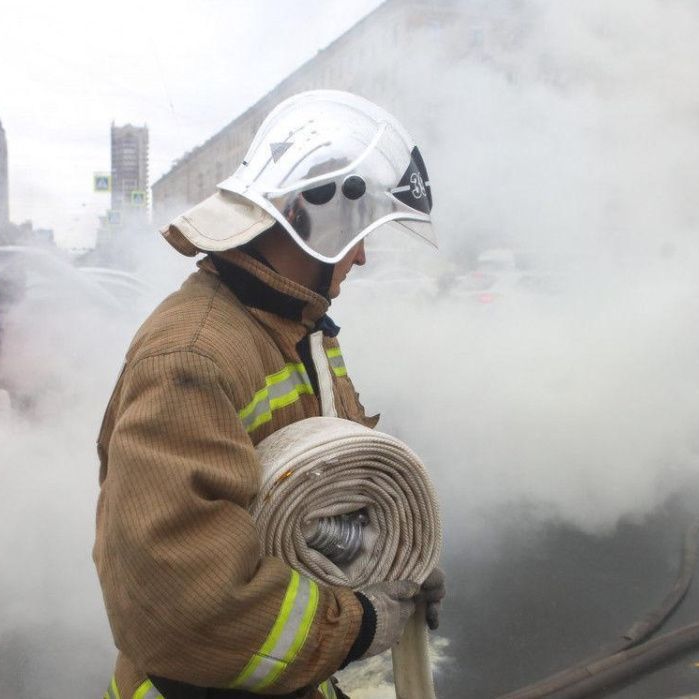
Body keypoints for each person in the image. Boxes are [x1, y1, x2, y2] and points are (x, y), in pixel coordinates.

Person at [94, 91, 445, 699]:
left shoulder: (294, 327)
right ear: (317, 217)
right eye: (360, 234)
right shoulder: (192, 355)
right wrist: (360, 624)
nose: (363, 257)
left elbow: (322, 500)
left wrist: (393, 563)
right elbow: (184, 602)